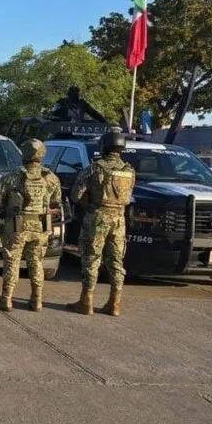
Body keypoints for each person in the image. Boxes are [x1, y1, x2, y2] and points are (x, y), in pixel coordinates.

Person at [68, 130, 135, 316]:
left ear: (103, 146)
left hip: (97, 217)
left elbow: (76, 195)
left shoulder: (94, 168)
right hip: (119, 220)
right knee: (116, 261)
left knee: (91, 258)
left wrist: (89, 205)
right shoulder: (129, 170)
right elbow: (128, 195)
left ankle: (86, 302)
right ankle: (114, 304)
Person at [0, 139, 62, 311]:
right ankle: (37, 300)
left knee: (12, 261)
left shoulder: (12, 177)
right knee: (37, 262)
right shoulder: (51, 178)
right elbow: (56, 202)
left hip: (18, 225)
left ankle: (6, 299)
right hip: (41, 226)